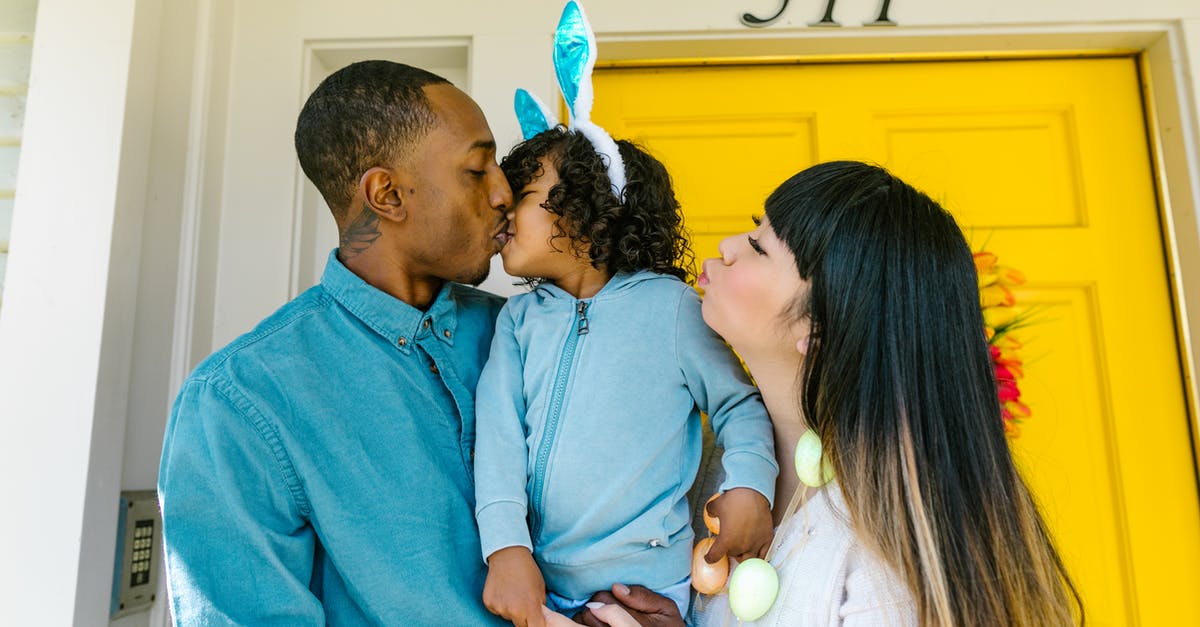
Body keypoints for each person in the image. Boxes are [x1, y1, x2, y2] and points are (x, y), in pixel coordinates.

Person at [561, 161, 1083, 626]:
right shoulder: (710, 462)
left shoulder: (886, 557)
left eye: (761, 247)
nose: (727, 246)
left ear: (819, 329)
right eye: (752, 228)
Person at [157, 60, 514, 624]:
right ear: (387, 194)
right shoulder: (240, 402)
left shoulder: (528, 336)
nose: (504, 193)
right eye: (478, 169)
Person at [473, 127, 779, 627]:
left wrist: (751, 487)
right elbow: (499, 442)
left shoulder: (673, 308)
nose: (504, 212)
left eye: (523, 197)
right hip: (539, 587)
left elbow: (738, 405)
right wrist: (505, 549)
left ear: (591, 212)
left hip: (653, 588)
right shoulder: (518, 321)